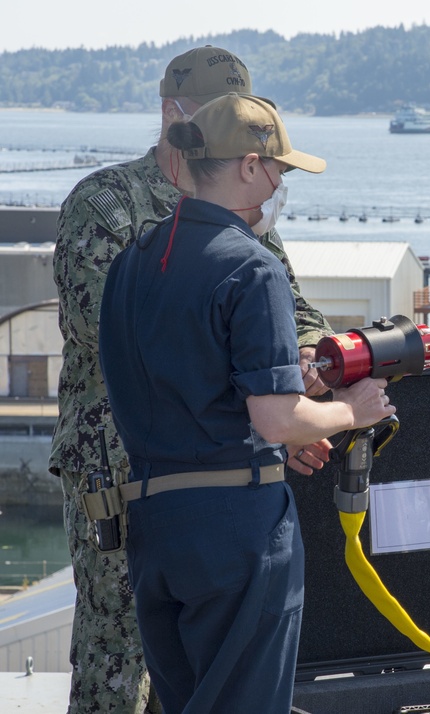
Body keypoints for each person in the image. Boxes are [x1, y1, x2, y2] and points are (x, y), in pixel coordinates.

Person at [50, 46, 331, 713]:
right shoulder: (105, 204)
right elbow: (115, 330)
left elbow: (291, 311)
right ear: (172, 115)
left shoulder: (243, 217)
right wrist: (272, 405)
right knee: (116, 666)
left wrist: (302, 379)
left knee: (215, 673)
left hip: (220, 469)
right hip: (117, 473)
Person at [96, 92, 395, 713]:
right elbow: (279, 418)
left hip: (152, 528)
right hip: (236, 531)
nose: (281, 183)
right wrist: (352, 411)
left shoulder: (131, 264)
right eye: (279, 169)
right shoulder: (252, 267)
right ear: (250, 166)